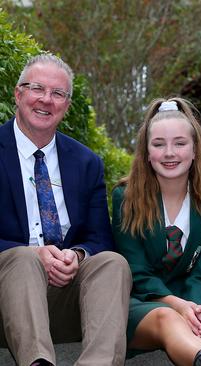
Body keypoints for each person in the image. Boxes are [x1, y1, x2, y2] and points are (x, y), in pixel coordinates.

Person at [0, 54, 131, 365]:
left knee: (112, 263)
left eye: (58, 93)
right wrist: (33, 255)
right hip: (4, 295)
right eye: (37, 89)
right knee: (22, 258)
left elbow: (100, 238)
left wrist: (78, 255)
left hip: (62, 296)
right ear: (18, 94)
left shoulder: (86, 163)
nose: (47, 100)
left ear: (66, 105)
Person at [111, 97, 201, 366]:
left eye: (180, 143)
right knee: (168, 318)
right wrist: (176, 305)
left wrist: (194, 307)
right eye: (159, 144)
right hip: (141, 302)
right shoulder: (125, 198)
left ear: (195, 149)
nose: (169, 153)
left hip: (195, 303)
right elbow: (136, 272)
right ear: (147, 153)